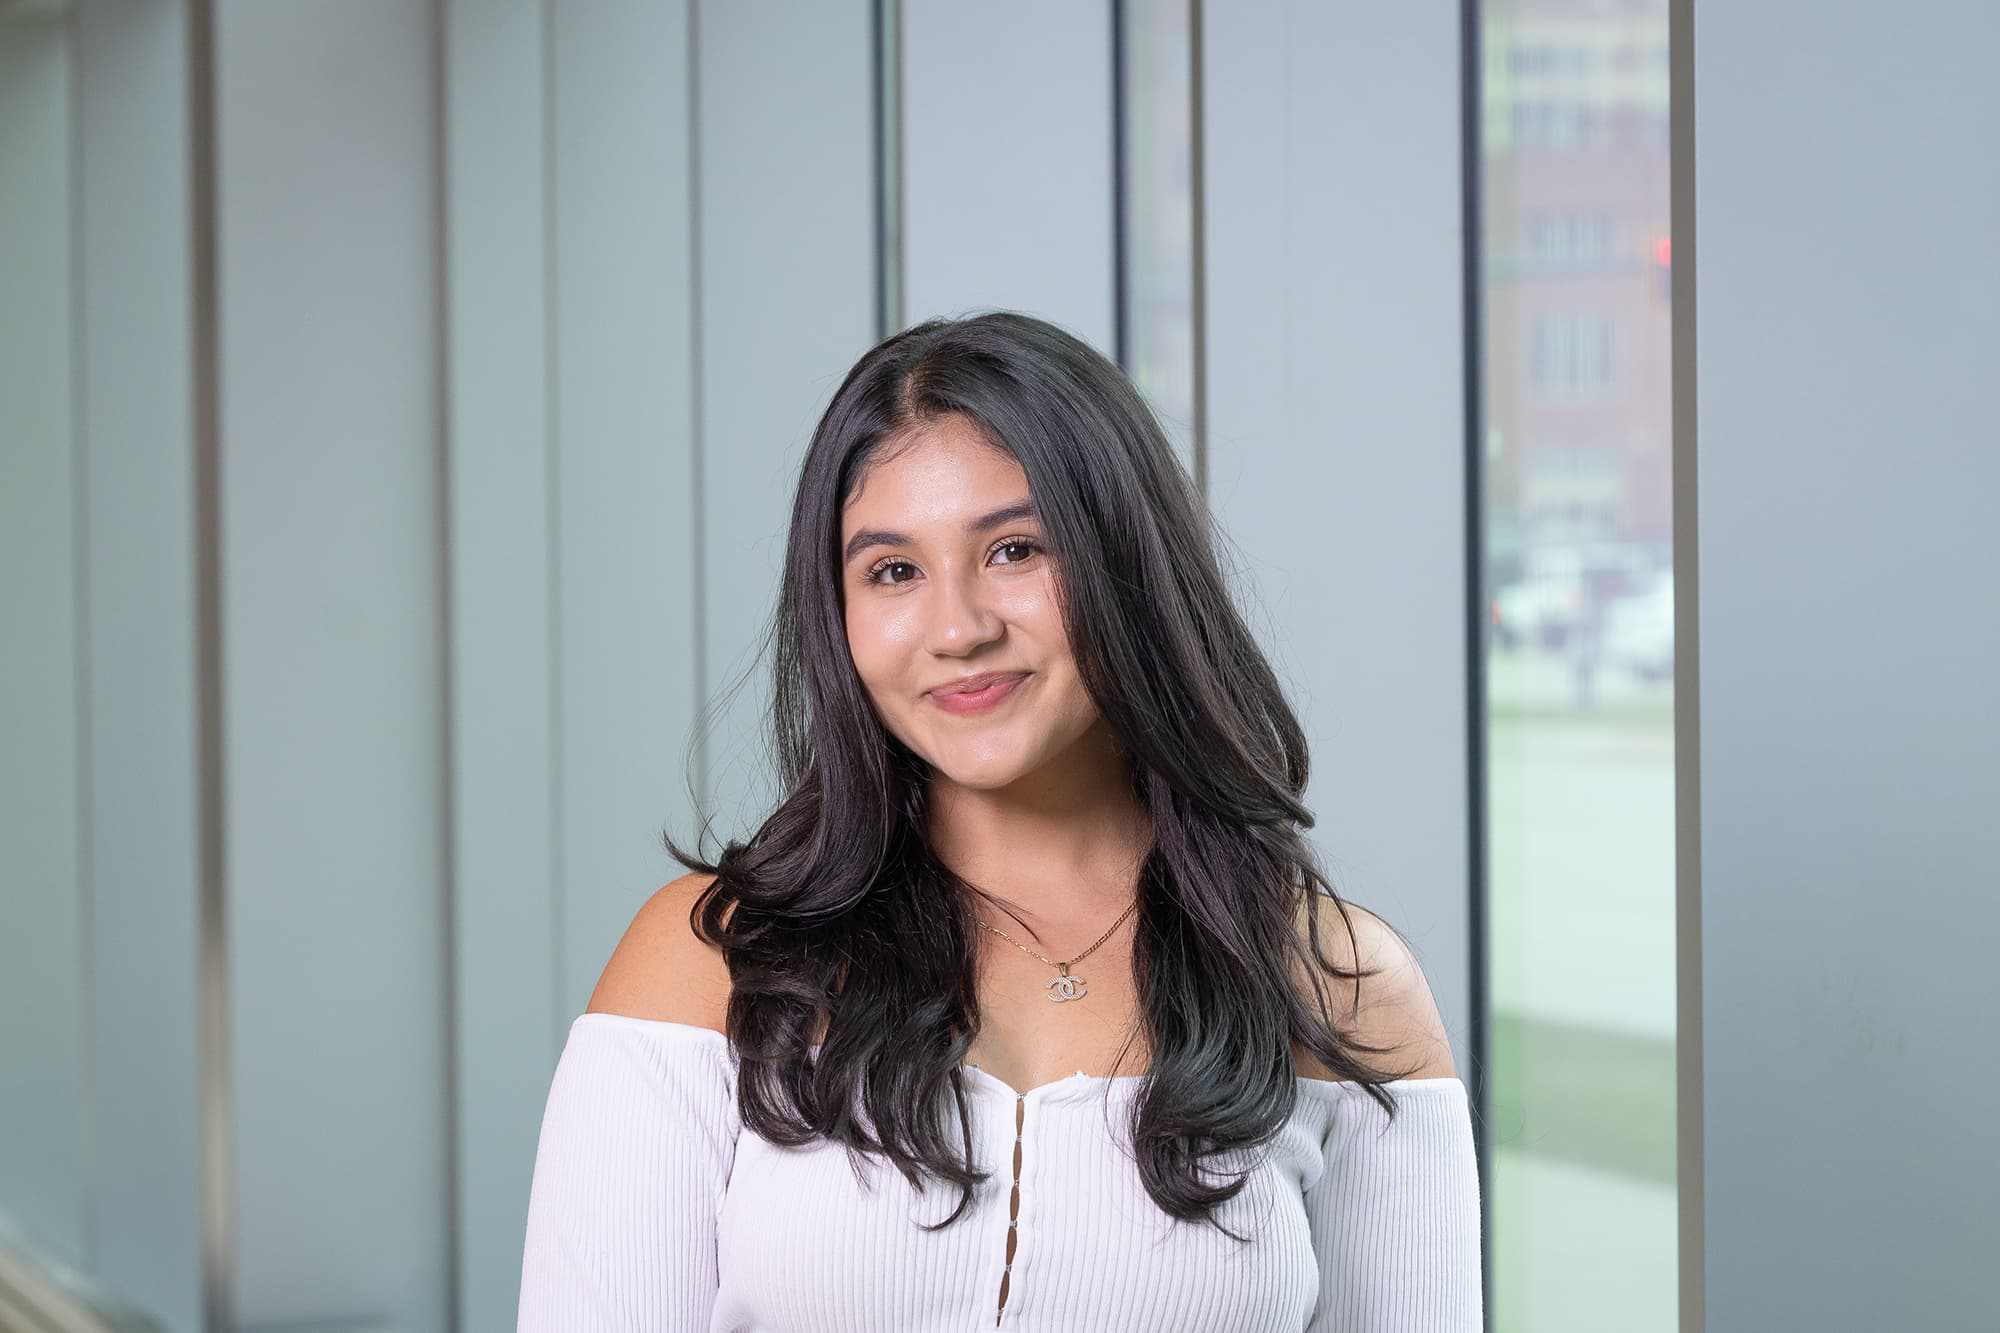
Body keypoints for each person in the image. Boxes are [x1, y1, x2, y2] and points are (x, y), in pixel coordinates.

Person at [516, 311, 1483, 1331]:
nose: (958, 628)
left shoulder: (1334, 982)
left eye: (1014, 550)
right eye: (892, 570)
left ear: (1128, 565)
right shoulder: (704, 962)